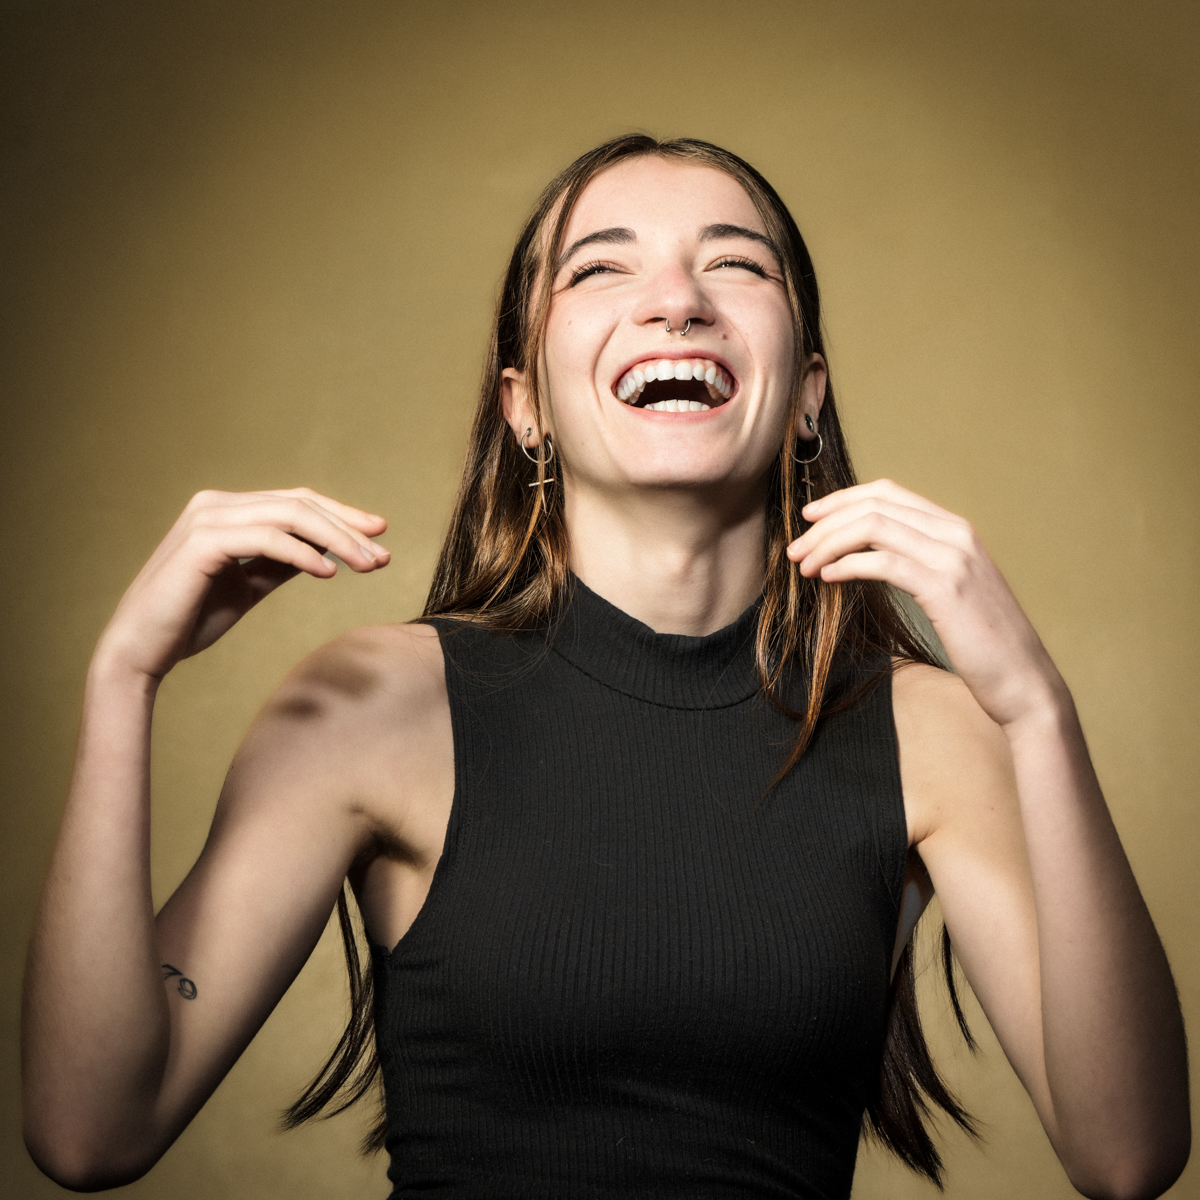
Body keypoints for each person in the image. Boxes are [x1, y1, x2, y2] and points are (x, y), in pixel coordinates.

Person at [21, 135, 1189, 1199]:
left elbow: (1128, 1152)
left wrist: (1037, 711)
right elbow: (89, 1133)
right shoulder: (369, 706)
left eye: (737, 266)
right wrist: (124, 677)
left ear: (807, 402)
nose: (676, 300)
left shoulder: (936, 733)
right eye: (599, 270)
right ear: (523, 406)